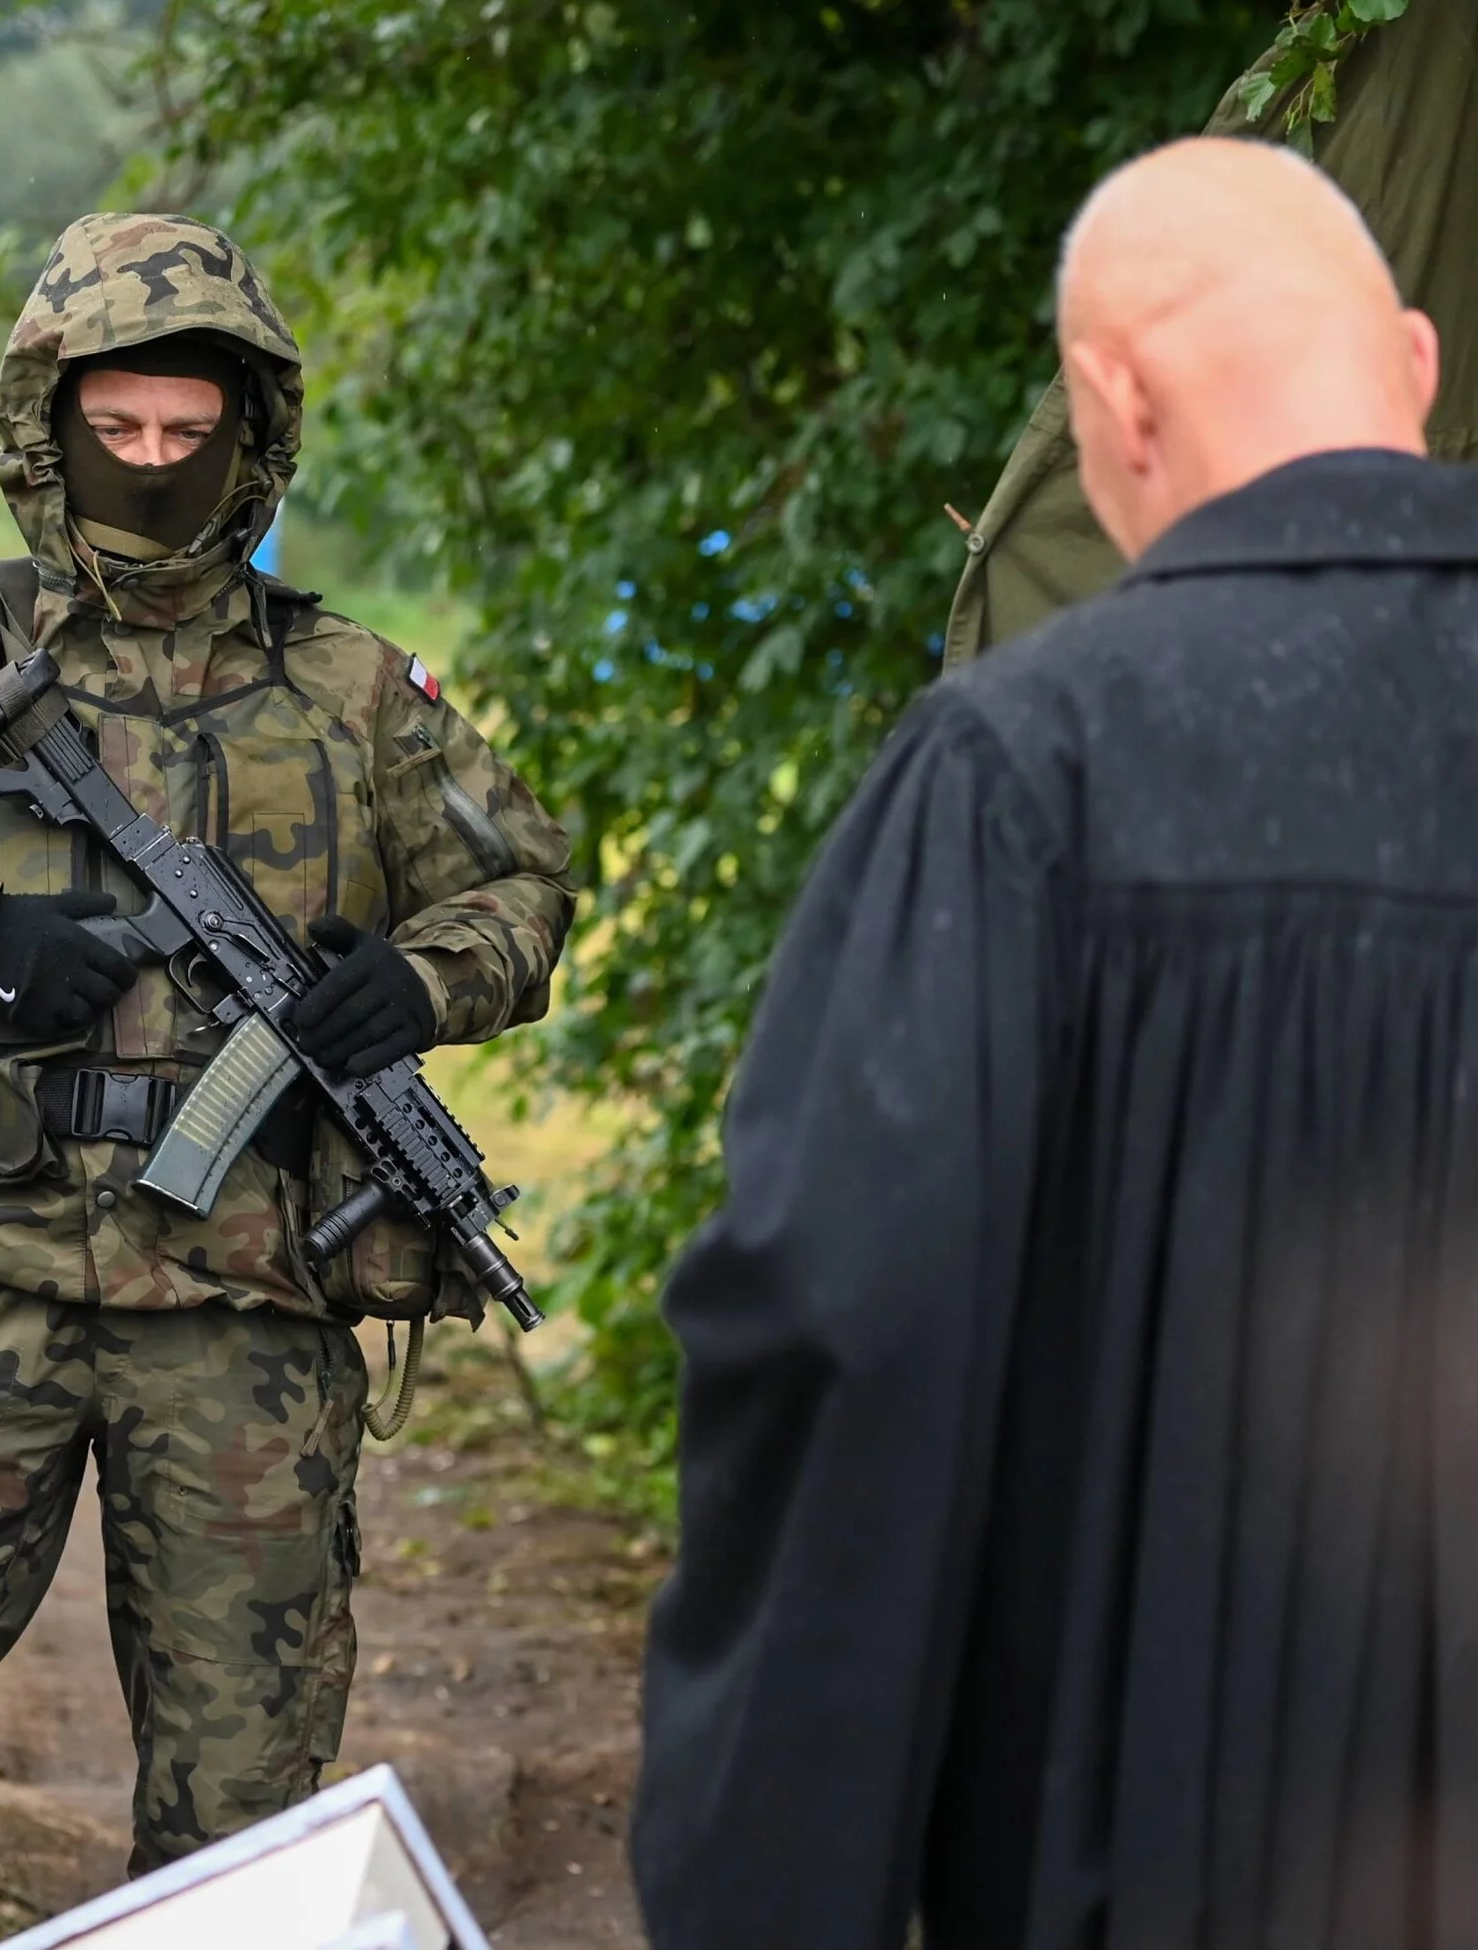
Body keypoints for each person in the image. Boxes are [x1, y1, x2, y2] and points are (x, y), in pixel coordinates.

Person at [633, 135, 1478, 1949]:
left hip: (1171, 1865)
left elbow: (847, 1338)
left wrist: (780, 1895)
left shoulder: (1030, 772)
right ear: (1409, 360)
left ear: (1114, 401)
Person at [0, 212, 574, 1882]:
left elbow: (524, 883)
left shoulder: (358, 695)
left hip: (242, 1307)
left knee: (244, 1802)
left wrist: (422, 984)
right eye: (116, 429)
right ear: (46, 425)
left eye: (188, 432)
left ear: (252, 435)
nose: (151, 467)